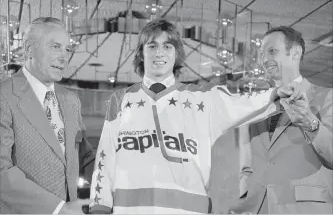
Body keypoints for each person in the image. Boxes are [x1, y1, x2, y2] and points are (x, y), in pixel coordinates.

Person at [89, 19, 302, 214]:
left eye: (167, 46)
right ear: (141, 53)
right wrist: (99, 208)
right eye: (152, 46)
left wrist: (274, 93)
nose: (159, 53)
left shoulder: (202, 98)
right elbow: (105, 159)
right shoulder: (121, 99)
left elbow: (242, 103)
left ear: (176, 54)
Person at [230, 26, 333, 214]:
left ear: (295, 52)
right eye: (261, 54)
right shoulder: (255, 107)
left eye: (272, 51)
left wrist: (310, 123)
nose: (264, 59)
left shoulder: (328, 97)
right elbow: (246, 167)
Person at [0, 17, 94, 213]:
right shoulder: (4, 96)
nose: (64, 57)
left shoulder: (70, 99)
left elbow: (84, 156)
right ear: (28, 49)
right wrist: (58, 209)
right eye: (55, 47)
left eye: (67, 49)